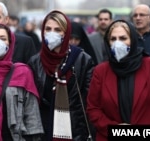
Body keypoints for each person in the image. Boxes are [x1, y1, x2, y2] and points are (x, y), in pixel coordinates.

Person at [86, 20, 150, 141]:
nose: (118, 43)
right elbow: (93, 109)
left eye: (123, 38)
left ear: (132, 40)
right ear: (108, 42)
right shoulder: (100, 71)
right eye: (113, 39)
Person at [28, 10, 94, 141]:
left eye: (57, 29)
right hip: (43, 130)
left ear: (66, 32)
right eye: (48, 29)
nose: (52, 33)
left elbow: (89, 100)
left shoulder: (82, 60)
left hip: (74, 130)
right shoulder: (35, 62)